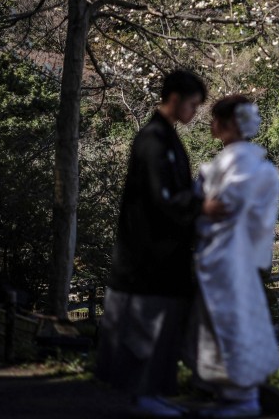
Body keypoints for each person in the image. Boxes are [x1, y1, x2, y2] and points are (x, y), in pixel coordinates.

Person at [97, 69, 219, 418]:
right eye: (194, 105)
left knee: (161, 324)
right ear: (176, 99)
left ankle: (152, 391)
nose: (195, 113)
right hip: (149, 251)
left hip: (162, 249)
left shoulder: (165, 137)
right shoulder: (153, 139)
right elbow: (161, 197)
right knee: (146, 325)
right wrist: (201, 205)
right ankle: (143, 393)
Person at [189, 95, 279, 418]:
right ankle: (231, 395)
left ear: (228, 124)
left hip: (224, 255)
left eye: (215, 118)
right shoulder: (255, 165)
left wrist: (195, 207)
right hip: (234, 255)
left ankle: (240, 397)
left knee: (229, 324)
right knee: (229, 323)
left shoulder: (235, 166)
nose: (211, 124)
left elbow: (221, 210)